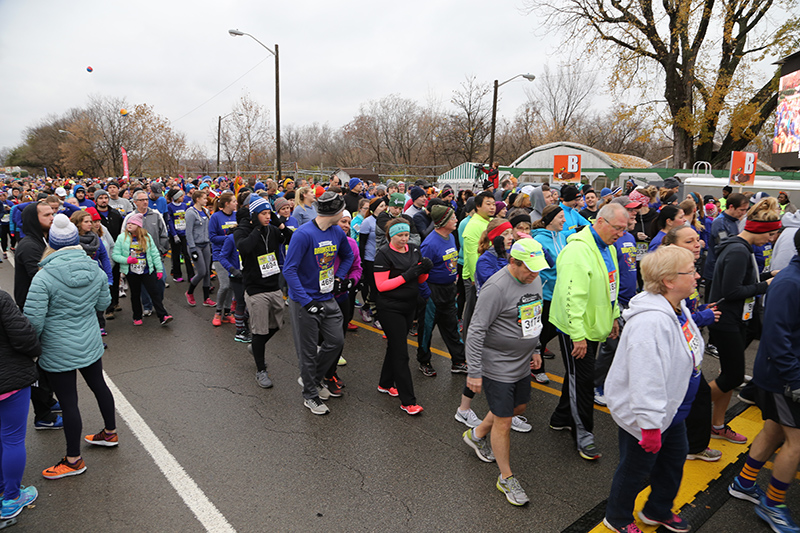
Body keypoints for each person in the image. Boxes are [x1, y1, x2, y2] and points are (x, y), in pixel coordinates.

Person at [602, 246, 702, 533]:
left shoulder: (676, 306)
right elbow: (646, 378)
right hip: (650, 417)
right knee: (636, 470)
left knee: (672, 462)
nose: (697, 275)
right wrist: (648, 426)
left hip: (672, 411)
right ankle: (617, 517)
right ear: (669, 281)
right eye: (690, 271)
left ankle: (657, 509)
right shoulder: (651, 322)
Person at [24, 214, 117, 480]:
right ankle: (110, 432)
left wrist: (33, 350)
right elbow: (103, 305)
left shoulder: (43, 277)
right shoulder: (95, 268)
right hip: (89, 339)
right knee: (99, 385)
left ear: (51, 242)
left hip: (57, 347)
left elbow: (34, 321)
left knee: (69, 401)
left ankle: (74, 459)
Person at [462, 239, 548, 506]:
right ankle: (506, 478)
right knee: (504, 420)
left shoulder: (534, 280)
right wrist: (474, 371)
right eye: (529, 268)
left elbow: (534, 315)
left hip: (522, 361)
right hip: (497, 364)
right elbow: (475, 330)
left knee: (518, 408)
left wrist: (535, 348)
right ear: (513, 261)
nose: (534, 274)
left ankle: (475, 435)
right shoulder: (496, 288)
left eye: (537, 268)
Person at [728, 231, 800, 533]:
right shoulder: (790, 283)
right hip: (784, 377)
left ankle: (743, 482)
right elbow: (776, 336)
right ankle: (773, 504)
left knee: (772, 431)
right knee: (796, 443)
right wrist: (794, 379)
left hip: (782, 374)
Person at [549, 203, 629, 461]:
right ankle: (583, 433)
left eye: (625, 229)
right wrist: (577, 335)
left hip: (594, 325)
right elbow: (572, 296)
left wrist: (614, 316)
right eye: (618, 228)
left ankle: (560, 417)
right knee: (582, 379)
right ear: (601, 222)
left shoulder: (609, 247)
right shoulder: (578, 251)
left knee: (577, 374)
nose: (621, 234)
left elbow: (611, 286)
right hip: (576, 327)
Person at [706, 198, 781, 444]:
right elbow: (732, 291)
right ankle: (689, 408)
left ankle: (717, 425)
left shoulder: (741, 247)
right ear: (760, 229)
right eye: (770, 234)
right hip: (727, 319)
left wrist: (769, 275)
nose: (771, 240)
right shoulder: (738, 250)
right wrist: (766, 285)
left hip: (736, 319)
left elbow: (743, 280)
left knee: (729, 374)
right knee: (733, 376)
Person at [283, 191, 354, 415]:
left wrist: (340, 277)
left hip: (327, 297)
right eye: (342, 210)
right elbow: (289, 270)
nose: (344, 214)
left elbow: (349, 255)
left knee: (336, 341)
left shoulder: (336, 232)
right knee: (307, 352)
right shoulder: (303, 235)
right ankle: (310, 395)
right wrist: (306, 301)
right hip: (305, 302)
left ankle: (311, 379)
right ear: (334, 212)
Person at [373, 218, 432, 415]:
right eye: (400, 235)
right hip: (390, 308)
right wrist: (409, 274)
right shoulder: (384, 254)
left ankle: (385, 383)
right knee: (401, 353)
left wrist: (424, 270)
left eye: (406, 235)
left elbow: (421, 277)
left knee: (395, 345)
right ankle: (408, 401)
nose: (404, 239)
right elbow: (381, 286)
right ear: (391, 235)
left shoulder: (414, 249)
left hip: (409, 306)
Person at [234, 196, 293, 388]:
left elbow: (291, 239)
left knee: (277, 324)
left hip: (273, 285)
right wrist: (257, 228)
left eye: (269, 214)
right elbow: (244, 248)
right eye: (264, 214)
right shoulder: (243, 230)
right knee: (259, 331)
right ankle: (261, 370)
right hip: (255, 289)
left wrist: (279, 224)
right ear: (254, 215)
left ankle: (255, 346)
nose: (268, 217)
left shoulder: (273, 230)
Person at [13, 202, 62, 431]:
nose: (53, 217)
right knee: (40, 366)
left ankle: (48, 402)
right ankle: (43, 415)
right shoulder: (29, 246)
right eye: (47, 214)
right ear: (34, 219)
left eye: (53, 213)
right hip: (32, 313)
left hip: (45, 311)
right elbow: (42, 280)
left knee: (48, 363)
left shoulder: (42, 240)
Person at [0, 286, 41, 520]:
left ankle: (0, 490)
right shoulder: (1, 298)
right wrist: (35, 352)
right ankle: (12, 497)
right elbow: (24, 337)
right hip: (9, 380)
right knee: (12, 438)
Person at [417, 205, 467, 376]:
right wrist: (426, 293)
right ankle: (424, 361)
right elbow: (420, 271)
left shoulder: (451, 237)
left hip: (449, 290)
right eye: (453, 218)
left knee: (451, 327)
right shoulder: (429, 244)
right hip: (432, 291)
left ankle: (458, 361)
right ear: (443, 222)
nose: (457, 220)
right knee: (427, 329)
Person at [112, 213, 173, 326]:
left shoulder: (147, 237)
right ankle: (137, 316)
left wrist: (159, 269)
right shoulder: (122, 238)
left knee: (154, 292)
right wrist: (127, 260)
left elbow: (154, 254)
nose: (129, 225)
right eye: (128, 223)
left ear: (139, 225)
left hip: (146, 270)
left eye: (132, 223)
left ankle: (163, 315)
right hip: (131, 272)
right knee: (135, 294)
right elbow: (115, 255)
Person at [531, 205, 568, 383]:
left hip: (559, 293)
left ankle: (532, 355)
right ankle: (537, 368)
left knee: (554, 330)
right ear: (551, 219)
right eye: (561, 217)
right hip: (544, 293)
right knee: (543, 332)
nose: (564, 220)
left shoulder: (562, 236)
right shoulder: (539, 239)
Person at [460, 192, 496, 339]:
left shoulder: (490, 222)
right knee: (474, 314)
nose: (492, 207)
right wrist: (477, 278)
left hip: (490, 276)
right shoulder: (473, 225)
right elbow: (472, 255)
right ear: (478, 206)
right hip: (476, 279)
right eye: (488, 204)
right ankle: (469, 347)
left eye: (493, 204)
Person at [702, 192, 748, 284]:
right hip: (716, 272)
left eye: (746, 210)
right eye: (741, 210)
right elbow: (723, 245)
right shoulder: (720, 223)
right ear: (731, 207)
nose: (744, 213)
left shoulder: (736, 221)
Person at [94, 190, 124, 320]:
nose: (103, 200)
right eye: (100, 198)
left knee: (115, 276)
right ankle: (108, 308)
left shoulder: (115, 213)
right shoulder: (94, 215)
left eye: (105, 197)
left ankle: (115, 301)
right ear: (96, 200)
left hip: (115, 248)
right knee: (105, 280)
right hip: (101, 251)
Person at [209, 192, 239, 325]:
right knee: (225, 285)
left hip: (234, 255)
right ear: (227, 203)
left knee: (232, 286)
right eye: (234, 201)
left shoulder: (236, 216)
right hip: (220, 255)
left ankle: (227, 313)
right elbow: (213, 238)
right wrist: (228, 237)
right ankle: (217, 312)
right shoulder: (215, 217)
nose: (236, 203)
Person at [184, 190, 215, 308]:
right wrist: (192, 248)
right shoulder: (191, 213)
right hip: (196, 245)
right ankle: (189, 292)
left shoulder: (206, 211)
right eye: (204, 198)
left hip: (206, 244)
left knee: (207, 272)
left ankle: (206, 298)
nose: (206, 200)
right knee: (201, 272)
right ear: (197, 199)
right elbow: (189, 232)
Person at [358, 197, 386, 326]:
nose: (384, 208)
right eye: (381, 206)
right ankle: (377, 317)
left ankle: (364, 308)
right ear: (374, 208)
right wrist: (361, 262)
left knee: (379, 289)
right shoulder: (367, 222)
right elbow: (362, 243)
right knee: (374, 288)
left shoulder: (386, 220)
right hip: (370, 259)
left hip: (383, 258)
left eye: (384, 206)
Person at [166, 188, 194, 283]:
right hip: (175, 234)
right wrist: (174, 235)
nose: (183, 197)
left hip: (184, 233)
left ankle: (191, 275)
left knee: (187, 254)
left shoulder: (184, 205)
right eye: (181, 196)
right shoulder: (170, 207)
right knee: (176, 254)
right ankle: (177, 274)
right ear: (176, 197)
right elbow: (170, 222)